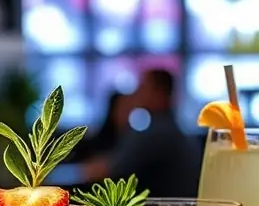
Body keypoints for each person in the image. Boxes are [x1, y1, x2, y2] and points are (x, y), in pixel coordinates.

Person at [82, 68, 200, 196]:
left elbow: (104, 171)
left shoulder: (153, 134)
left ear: (159, 93)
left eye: (143, 87)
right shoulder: (177, 131)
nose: (137, 93)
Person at [73, 91, 132, 162]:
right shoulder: (98, 143)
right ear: (113, 110)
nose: (129, 112)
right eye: (124, 107)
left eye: (130, 107)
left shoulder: (135, 139)